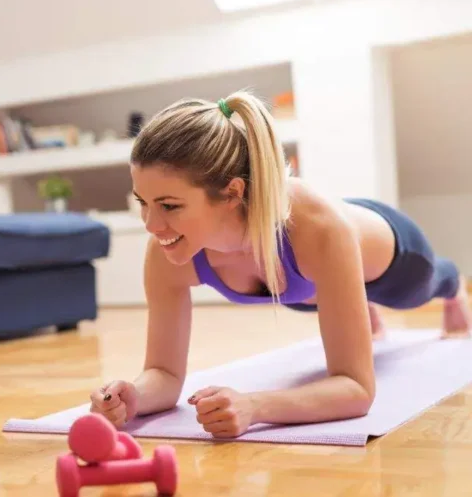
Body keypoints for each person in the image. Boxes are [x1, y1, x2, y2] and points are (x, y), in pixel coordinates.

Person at [89, 90, 471, 439]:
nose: (151, 225)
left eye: (169, 206)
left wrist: (255, 406)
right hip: (303, 282)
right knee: (309, 294)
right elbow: (166, 375)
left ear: (232, 193)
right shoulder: (167, 251)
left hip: (394, 257)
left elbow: (356, 389)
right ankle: (357, 306)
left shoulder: (318, 230)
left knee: (426, 288)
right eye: (143, 202)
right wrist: (133, 394)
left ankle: (452, 287)